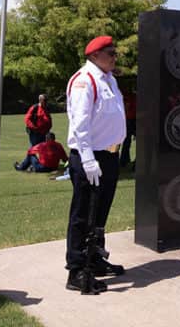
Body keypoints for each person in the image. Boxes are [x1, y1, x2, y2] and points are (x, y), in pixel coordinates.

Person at [65, 35, 127, 293]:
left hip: (110, 156)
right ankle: (77, 269)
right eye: (109, 53)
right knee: (83, 213)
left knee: (99, 213)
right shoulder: (85, 80)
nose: (114, 57)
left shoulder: (109, 79)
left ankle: (94, 258)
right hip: (91, 157)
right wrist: (89, 159)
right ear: (94, 56)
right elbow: (80, 124)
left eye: (114, 52)